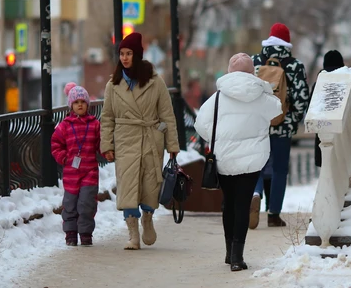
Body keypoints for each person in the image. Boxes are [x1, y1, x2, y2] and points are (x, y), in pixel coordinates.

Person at [195, 53, 281, 271]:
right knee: (242, 203)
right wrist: (265, 87)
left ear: (229, 71)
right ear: (253, 72)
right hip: (252, 159)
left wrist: (221, 138)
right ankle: (237, 257)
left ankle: (227, 251)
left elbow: (200, 125)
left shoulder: (217, 98)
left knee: (229, 204)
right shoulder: (260, 96)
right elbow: (277, 109)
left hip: (223, 157)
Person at [100, 32, 180, 250]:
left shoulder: (155, 82)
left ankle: (147, 217)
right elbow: (106, 117)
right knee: (127, 186)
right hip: (125, 140)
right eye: (122, 54)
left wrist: (171, 144)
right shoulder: (113, 85)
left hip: (150, 139)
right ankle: (132, 233)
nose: (125, 58)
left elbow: (167, 115)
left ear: (138, 55)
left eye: (129, 53)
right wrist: (106, 144)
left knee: (149, 184)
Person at [251, 23, 310, 229]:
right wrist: (293, 121)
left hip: (257, 125)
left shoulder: (254, 62)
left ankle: (255, 194)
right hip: (282, 126)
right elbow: (302, 98)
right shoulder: (294, 65)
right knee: (279, 169)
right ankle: (273, 214)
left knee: (256, 165)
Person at [51, 86, 101, 247]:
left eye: (83, 102)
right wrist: (63, 157)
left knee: (87, 203)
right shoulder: (64, 126)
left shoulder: (95, 125)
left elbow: (102, 143)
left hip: (90, 171)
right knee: (70, 204)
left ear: (88, 104)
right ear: (70, 105)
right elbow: (56, 145)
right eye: (76, 102)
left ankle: (86, 233)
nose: (80, 105)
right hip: (71, 172)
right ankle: (70, 233)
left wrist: (107, 151)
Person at [312, 50, 345, 168]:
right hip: (342, 132)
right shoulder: (346, 82)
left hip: (323, 132)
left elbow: (311, 107)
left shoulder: (319, 82)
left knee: (326, 168)